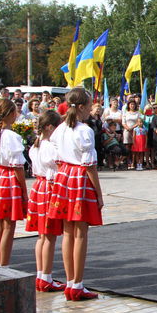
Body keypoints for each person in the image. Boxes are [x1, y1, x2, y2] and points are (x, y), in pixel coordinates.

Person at [47, 87, 104, 301]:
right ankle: (77, 284)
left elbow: (55, 158)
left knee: (68, 232)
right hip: (79, 177)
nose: (91, 109)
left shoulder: (59, 129)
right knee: (80, 233)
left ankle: (71, 282)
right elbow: (90, 165)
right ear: (81, 107)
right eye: (89, 106)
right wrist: (99, 194)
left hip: (63, 176)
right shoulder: (83, 130)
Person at [25, 110, 65, 291]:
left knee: (42, 236)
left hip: (39, 186)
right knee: (49, 235)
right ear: (50, 127)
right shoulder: (49, 146)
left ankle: (41, 274)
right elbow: (58, 165)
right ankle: (46, 277)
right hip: (49, 187)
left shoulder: (36, 145)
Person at [0, 98, 28, 266]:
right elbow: (17, 166)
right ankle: (4, 263)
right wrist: (24, 190)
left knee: (0, 223)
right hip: (9, 178)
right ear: (10, 114)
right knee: (8, 225)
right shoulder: (11, 136)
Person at [121, 99, 141, 169]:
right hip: (127, 131)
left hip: (135, 131)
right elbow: (123, 123)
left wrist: (132, 128)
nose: (132, 105)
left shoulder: (138, 113)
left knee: (134, 147)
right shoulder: (125, 113)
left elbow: (139, 122)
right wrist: (128, 128)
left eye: (133, 104)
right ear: (128, 105)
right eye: (131, 104)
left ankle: (134, 162)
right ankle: (128, 162)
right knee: (127, 147)